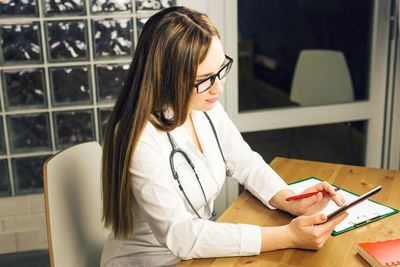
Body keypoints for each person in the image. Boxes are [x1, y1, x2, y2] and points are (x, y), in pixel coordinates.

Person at [100, 6, 348, 267]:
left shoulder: (204, 107)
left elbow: (245, 162)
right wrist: (289, 235)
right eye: (205, 78)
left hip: (198, 256)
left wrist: (290, 200)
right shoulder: (138, 136)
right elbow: (180, 235)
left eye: (221, 69)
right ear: (167, 77)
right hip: (150, 262)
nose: (219, 86)